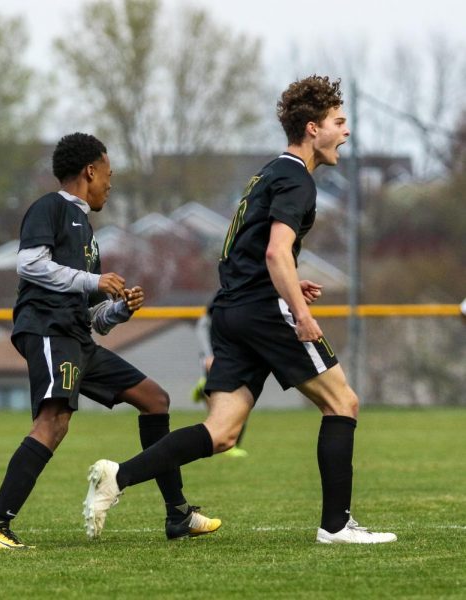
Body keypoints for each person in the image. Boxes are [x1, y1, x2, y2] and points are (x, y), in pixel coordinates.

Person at [83, 76, 397, 545]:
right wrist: (298, 310)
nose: (346, 132)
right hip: (263, 311)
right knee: (342, 403)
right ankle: (336, 526)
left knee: (223, 431)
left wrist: (288, 277)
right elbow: (273, 253)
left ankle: (117, 477)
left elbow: (254, 252)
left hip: (231, 309)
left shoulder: (267, 173)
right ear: (313, 128)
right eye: (339, 122)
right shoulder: (298, 180)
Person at [0, 133, 220, 550]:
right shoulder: (49, 207)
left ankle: (178, 515)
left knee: (154, 399)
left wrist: (119, 309)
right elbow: (30, 264)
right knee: (53, 422)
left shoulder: (86, 231)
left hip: (75, 336)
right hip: (47, 330)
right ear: (90, 171)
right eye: (108, 174)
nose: (110, 182)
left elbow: (92, 318)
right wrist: (94, 280)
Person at [190, 301, 248, 458]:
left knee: (240, 400)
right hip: (218, 358)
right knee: (228, 402)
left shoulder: (251, 299)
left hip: (235, 357)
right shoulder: (224, 298)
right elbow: (202, 324)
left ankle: (204, 387)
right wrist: (208, 354)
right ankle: (229, 444)